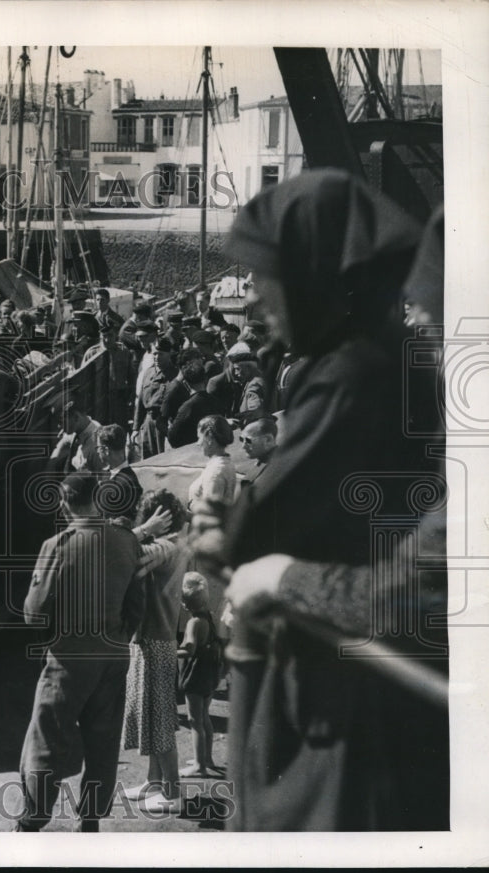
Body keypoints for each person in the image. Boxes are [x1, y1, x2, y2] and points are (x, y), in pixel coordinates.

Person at [205, 168, 445, 831]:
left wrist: (224, 526)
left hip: (353, 698)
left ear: (311, 272)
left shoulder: (348, 373)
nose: (253, 298)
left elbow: (251, 535)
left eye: (263, 275)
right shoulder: (384, 355)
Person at [15, 472, 143, 832]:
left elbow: (33, 613)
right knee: (103, 742)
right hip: (114, 657)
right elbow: (137, 607)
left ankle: (32, 820)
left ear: (65, 501)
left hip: (69, 660)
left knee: (46, 740)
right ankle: (90, 822)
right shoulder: (126, 540)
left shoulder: (57, 545)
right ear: (98, 498)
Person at [121, 490, 190, 812]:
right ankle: (155, 780)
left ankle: (173, 793)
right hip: (153, 638)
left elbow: (123, 555)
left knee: (160, 720)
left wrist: (142, 531)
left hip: (155, 640)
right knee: (151, 716)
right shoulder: (176, 543)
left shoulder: (163, 546)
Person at [176, 572, 224, 778]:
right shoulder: (208, 617)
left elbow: (189, 650)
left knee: (194, 719)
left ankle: (199, 765)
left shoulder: (193, 623)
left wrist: (171, 650)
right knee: (204, 716)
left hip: (195, 675)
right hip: (209, 673)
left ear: (185, 603)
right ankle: (207, 758)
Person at [166, 359, 225, 449]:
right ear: (205, 379)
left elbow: (173, 438)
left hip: (194, 450)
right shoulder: (215, 401)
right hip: (213, 447)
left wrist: (170, 427)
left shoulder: (187, 407)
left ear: (185, 384)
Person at [188, 415, 239, 510]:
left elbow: (209, 515)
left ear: (209, 438)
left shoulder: (215, 472)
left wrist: (187, 509)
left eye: (199, 437)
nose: (198, 443)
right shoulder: (225, 463)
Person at [95, 423, 141, 520]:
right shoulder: (106, 474)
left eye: (98, 448)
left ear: (106, 450)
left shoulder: (129, 483)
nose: (97, 452)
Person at [49, 401, 104, 474]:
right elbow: (65, 440)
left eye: (61, 422)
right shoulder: (79, 426)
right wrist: (51, 465)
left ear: (76, 417)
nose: (59, 426)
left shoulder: (95, 445)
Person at [238, 416, 277, 483]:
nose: (243, 446)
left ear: (268, 440)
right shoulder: (263, 461)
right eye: (241, 439)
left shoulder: (277, 469)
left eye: (248, 440)